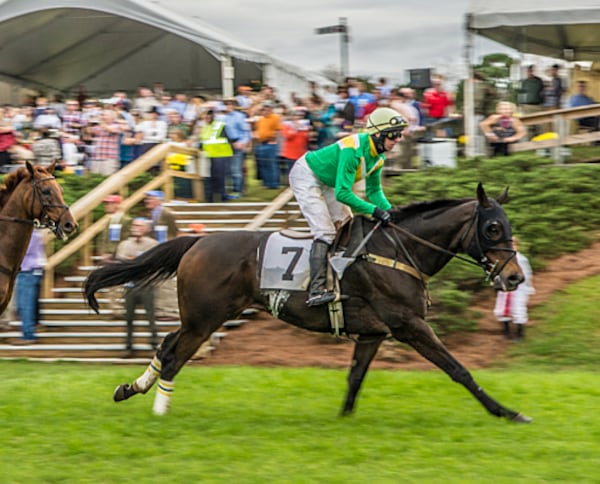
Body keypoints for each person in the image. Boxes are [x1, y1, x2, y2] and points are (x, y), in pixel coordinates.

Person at [289, 107, 408, 306]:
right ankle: (316, 290)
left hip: (329, 181)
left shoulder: (378, 157)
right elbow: (343, 193)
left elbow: (374, 192)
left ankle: (341, 277)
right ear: (377, 134)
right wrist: (375, 211)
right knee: (326, 232)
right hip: (307, 175)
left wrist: (391, 212)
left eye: (400, 135)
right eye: (393, 135)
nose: (398, 139)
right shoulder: (354, 150)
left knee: (347, 225)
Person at [116, 218, 159, 357]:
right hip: (130, 285)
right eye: (135, 225)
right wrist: (136, 262)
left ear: (146, 229)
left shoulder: (152, 244)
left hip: (146, 284)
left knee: (150, 316)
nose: (136, 228)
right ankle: (128, 346)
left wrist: (133, 261)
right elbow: (121, 260)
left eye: (140, 226)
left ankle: (154, 344)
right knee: (129, 317)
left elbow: (152, 262)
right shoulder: (125, 244)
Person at [144, 190, 179, 320]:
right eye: (147, 199)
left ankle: (171, 310)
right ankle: (162, 309)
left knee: (168, 281)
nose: (147, 201)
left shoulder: (166, 213)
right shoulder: (152, 215)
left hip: (167, 249)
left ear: (158, 200)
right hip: (158, 249)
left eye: (150, 198)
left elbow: (174, 231)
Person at [494, 236, 535, 341]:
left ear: (517, 246)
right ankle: (506, 333)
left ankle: (519, 334)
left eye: (513, 245)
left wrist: (528, 287)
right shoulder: (502, 260)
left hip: (519, 288)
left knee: (519, 309)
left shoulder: (521, 259)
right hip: (506, 288)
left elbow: (527, 274)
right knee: (502, 309)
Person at [13, 228, 47, 344]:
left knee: (25, 304)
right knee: (26, 303)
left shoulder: (29, 234)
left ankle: (28, 335)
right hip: (31, 270)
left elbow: (22, 251)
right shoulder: (34, 233)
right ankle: (32, 327)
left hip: (28, 271)